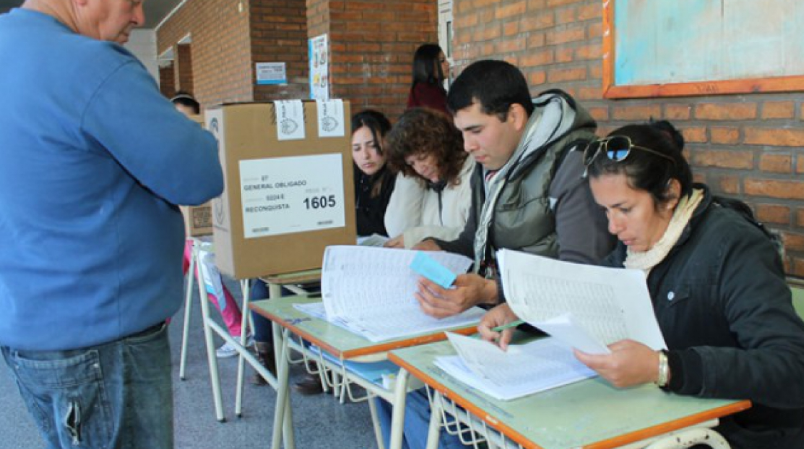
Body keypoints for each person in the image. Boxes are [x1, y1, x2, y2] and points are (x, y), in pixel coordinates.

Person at [480, 121, 804, 448]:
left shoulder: (734, 247)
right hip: (664, 420)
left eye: (625, 209)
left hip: (736, 433)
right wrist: (521, 311)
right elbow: (589, 299)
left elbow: (792, 366)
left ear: (670, 194)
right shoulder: (635, 244)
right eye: (605, 210)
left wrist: (664, 367)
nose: (613, 226)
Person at [0, 1, 223, 448]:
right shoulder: (88, 65)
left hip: (28, 328)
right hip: (102, 338)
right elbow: (199, 173)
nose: (139, 17)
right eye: (132, 1)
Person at [376, 60, 614, 449]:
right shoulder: (490, 166)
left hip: (552, 339)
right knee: (395, 386)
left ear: (515, 116)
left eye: (475, 131)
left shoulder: (574, 163)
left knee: (428, 405)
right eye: (462, 133)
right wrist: (434, 249)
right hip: (503, 324)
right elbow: (475, 241)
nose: (468, 146)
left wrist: (491, 291)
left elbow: (582, 276)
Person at [250, 110, 395, 394]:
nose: (365, 155)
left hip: (371, 262)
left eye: (372, 146)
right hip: (341, 254)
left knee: (306, 291)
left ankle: (319, 362)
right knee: (262, 283)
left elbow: (381, 225)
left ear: (386, 143)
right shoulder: (346, 176)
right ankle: (265, 355)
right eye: (356, 148)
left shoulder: (397, 177)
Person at [170, 92, 248, 358]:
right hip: (176, 233)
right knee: (163, 286)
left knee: (209, 280)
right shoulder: (163, 149)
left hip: (203, 235)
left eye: (189, 118)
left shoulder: (210, 149)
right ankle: (152, 341)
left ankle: (239, 330)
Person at [383, 107, 474, 248]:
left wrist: (419, 236)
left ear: (442, 146)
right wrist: (409, 174)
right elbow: (397, 230)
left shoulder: (471, 175)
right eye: (412, 163)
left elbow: (473, 236)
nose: (420, 168)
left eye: (423, 157)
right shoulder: (423, 182)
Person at [406, 43, 449, 115]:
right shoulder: (426, 91)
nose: (447, 63)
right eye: (442, 61)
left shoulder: (426, 88)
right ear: (428, 65)